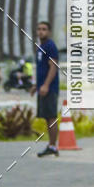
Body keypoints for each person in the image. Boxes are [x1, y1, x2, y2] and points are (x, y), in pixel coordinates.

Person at [31, 21, 60, 158]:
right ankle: (51, 145)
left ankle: (53, 146)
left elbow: (53, 66)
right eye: (39, 29)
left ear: (49, 32)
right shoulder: (40, 47)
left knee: (51, 117)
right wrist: (36, 86)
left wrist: (46, 85)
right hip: (43, 87)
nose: (41, 31)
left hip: (50, 88)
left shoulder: (50, 46)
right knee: (48, 117)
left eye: (44, 29)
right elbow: (41, 69)